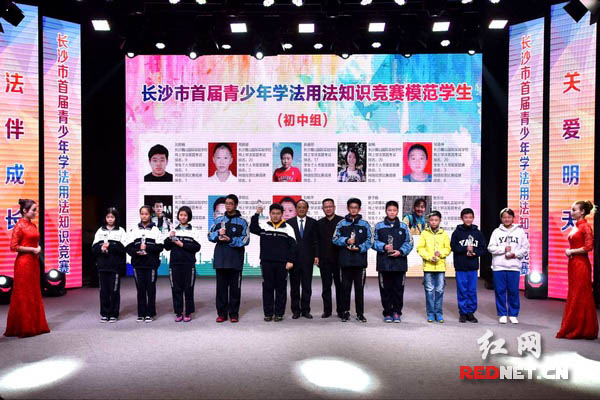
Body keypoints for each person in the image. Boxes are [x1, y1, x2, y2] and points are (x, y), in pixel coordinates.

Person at [4, 199, 50, 338]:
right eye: (33, 210)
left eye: (36, 210)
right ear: (24, 211)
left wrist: (38, 248)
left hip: (34, 263)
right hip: (23, 264)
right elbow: (13, 247)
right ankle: (24, 326)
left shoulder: (33, 225)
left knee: (33, 292)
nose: (35, 212)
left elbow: (35, 242)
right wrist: (32, 249)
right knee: (23, 294)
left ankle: (35, 325)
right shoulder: (19, 225)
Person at [556, 201, 598, 339]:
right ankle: (574, 326)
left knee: (580, 295)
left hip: (581, 265)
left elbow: (589, 247)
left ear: (582, 212)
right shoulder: (577, 226)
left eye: (574, 210)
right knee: (574, 294)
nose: (572, 212)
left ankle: (582, 328)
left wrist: (571, 251)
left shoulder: (585, 227)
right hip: (573, 264)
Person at [250, 203, 297, 321]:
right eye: (273, 213)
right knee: (267, 288)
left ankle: (279, 313)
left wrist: (290, 261)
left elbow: (293, 246)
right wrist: (257, 214)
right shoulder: (264, 226)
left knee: (281, 289)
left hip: (282, 263)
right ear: (270, 214)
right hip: (266, 262)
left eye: (278, 213)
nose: (275, 216)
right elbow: (253, 228)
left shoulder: (288, 228)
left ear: (282, 214)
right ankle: (268, 313)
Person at [208, 194, 249, 323]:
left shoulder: (242, 222)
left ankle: (234, 314)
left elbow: (245, 239)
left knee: (235, 289)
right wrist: (217, 234)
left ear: (236, 205)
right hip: (221, 259)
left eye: (231, 203)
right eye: (226, 203)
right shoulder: (218, 220)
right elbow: (209, 235)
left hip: (235, 260)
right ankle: (221, 314)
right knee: (221, 289)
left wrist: (230, 240)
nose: (228, 206)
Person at [372, 201, 413, 323]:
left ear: (397, 211)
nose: (392, 212)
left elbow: (409, 242)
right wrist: (383, 246)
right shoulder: (379, 226)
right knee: (385, 289)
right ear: (386, 211)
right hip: (384, 264)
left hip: (399, 264)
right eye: (389, 210)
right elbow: (372, 241)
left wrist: (401, 251)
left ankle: (396, 312)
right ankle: (387, 312)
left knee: (398, 289)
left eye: (394, 210)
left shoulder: (403, 226)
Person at [332, 198, 372, 323]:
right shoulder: (341, 224)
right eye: (351, 207)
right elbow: (334, 239)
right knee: (345, 288)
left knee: (359, 289)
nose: (353, 210)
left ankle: (360, 313)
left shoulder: (365, 224)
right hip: (345, 262)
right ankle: (345, 312)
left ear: (359, 209)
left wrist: (359, 247)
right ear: (348, 208)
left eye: (356, 207)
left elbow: (370, 240)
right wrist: (346, 241)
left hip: (360, 262)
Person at [487, 208, 529, 324]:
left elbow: (525, 248)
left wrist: (515, 254)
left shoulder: (520, 232)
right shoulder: (496, 232)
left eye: (509, 217)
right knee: (500, 291)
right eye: (504, 217)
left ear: (513, 218)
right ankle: (502, 313)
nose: (507, 219)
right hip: (499, 266)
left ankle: (513, 314)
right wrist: (503, 249)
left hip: (514, 266)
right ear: (501, 218)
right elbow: (491, 247)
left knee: (513, 291)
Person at [126, 205, 164, 322]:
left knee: (150, 289)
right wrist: (136, 252)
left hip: (151, 264)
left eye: (146, 214)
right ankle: (141, 313)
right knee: (140, 289)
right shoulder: (134, 230)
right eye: (142, 214)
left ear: (150, 215)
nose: (144, 216)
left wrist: (147, 248)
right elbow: (128, 247)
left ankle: (150, 313)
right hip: (138, 264)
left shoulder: (155, 230)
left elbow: (160, 247)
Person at [450, 208, 487, 323]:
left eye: (470, 217)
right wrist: (465, 248)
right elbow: (453, 247)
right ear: (462, 218)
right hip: (460, 266)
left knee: (472, 290)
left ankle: (470, 312)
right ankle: (462, 312)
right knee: (462, 290)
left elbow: (483, 248)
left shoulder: (478, 233)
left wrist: (475, 252)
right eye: (466, 217)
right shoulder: (457, 233)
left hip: (472, 267)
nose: (468, 219)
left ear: (473, 218)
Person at [164, 206, 201, 322]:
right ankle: (178, 312)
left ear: (189, 217)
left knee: (188, 289)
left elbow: (197, 247)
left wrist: (182, 245)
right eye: (181, 215)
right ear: (178, 216)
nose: (183, 217)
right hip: (175, 264)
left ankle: (188, 312)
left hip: (188, 264)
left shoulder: (194, 231)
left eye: (185, 215)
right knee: (176, 289)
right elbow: (166, 247)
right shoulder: (173, 230)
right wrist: (170, 237)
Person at [91, 207, 128, 323]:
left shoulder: (121, 231)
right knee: (104, 291)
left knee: (114, 290)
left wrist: (110, 246)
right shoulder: (100, 231)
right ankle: (105, 313)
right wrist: (101, 248)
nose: (110, 219)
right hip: (102, 266)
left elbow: (123, 247)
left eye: (112, 217)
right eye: (108, 217)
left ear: (116, 218)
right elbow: (94, 247)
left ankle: (114, 314)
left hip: (115, 266)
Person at [286, 199, 319, 319]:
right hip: (293, 260)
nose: (301, 209)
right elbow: (287, 243)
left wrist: (316, 255)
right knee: (294, 287)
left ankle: (305, 310)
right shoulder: (289, 223)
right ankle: (296, 310)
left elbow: (316, 241)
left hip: (307, 260)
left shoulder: (313, 223)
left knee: (307, 286)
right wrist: (288, 258)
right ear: (296, 209)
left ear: (307, 209)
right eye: (299, 207)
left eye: (303, 207)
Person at [416, 211, 451, 323]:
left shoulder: (444, 234)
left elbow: (448, 248)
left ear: (440, 220)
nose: (434, 222)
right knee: (429, 291)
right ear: (428, 221)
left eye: (436, 220)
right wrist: (429, 257)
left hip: (440, 267)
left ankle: (439, 313)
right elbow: (420, 248)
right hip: (428, 266)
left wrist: (440, 253)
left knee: (440, 290)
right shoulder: (424, 233)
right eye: (431, 220)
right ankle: (430, 313)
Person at [316, 198, 344, 318]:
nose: (328, 209)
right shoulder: (319, 223)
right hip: (324, 260)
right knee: (326, 287)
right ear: (323, 209)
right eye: (326, 207)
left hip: (340, 260)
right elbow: (316, 242)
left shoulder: (342, 221)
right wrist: (316, 256)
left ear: (334, 207)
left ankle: (341, 310)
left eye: (330, 206)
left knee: (340, 286)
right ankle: (327, 311)